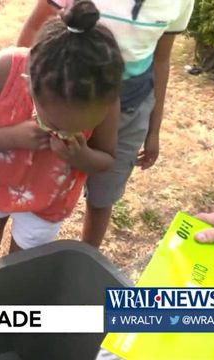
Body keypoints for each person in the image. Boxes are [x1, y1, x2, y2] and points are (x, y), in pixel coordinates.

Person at [0, 1, 124, 268]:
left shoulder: (105, 95)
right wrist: (13, 137)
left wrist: (81, 156)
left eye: (77, 129)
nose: (62, 132)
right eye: (55, 124)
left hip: (48, 203)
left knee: (22, 268)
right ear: (29, 83)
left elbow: (106, 158)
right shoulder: (2, 70)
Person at [18, 0, 195, 248]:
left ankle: (87, 257)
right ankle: (23, 256)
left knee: (103, 196)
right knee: (39, 190)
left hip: (131, 107)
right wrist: (29, 98)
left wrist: (154, 128)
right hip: (65, 103)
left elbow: (161, 59)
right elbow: (33, 34)